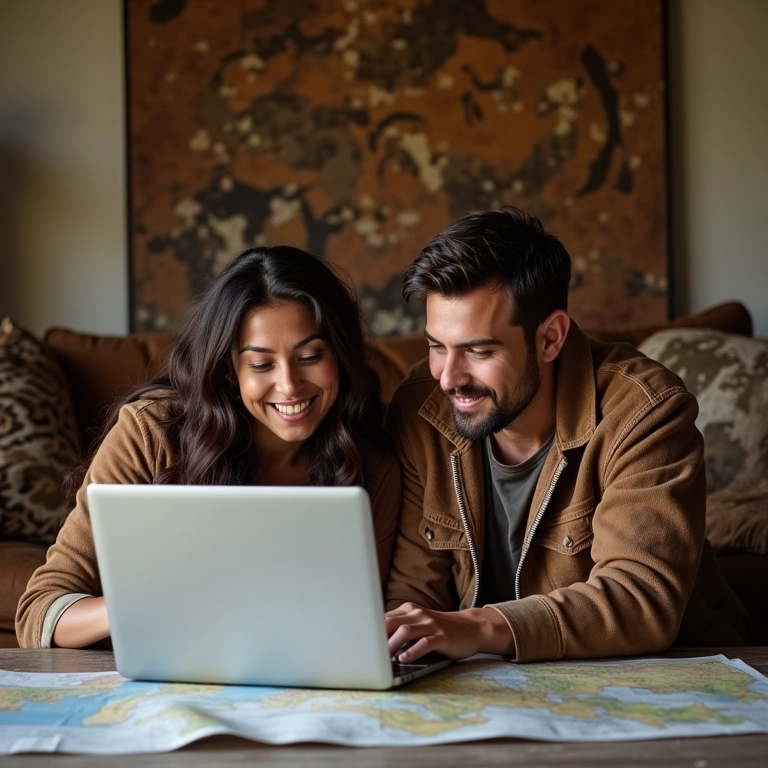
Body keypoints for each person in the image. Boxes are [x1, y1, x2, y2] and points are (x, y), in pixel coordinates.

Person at [384, 206, 751, 664]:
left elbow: (640, 599)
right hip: (492, 688)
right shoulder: (421, 409)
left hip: (666, 676)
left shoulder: (645, 411)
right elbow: (411, 592)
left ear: (550, 337)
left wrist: (477, 626)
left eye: (478, 351)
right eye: (437, 346)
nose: (448, 378)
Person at [17, 246, 400, 649]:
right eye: (261, 364)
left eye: (309, 356)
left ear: (340, 354)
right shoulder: (151, 433)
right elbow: (40, 612)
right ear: (228, 370)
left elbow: (371, 620)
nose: (289, 384)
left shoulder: (373, 458)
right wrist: (151, 599)